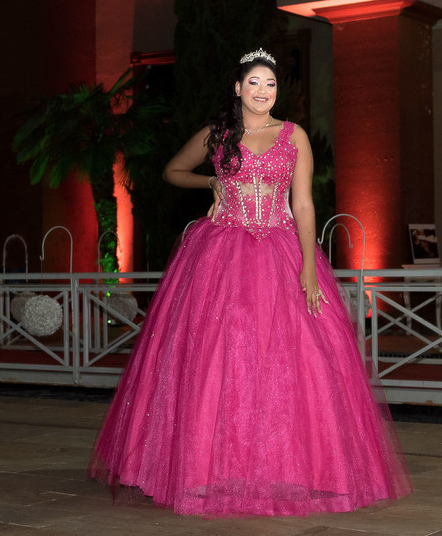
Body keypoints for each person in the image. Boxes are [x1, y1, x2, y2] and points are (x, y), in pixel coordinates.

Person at [88, 48, 411, 517]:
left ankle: (291, 469)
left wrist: (307, 263)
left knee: (290, 363)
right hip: (220, 255)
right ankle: (205, 468)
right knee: (217, 358)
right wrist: (211, 185)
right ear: (238, 88)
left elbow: (303, 204)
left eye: (271, 84)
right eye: (255, 83)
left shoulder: (294, 135)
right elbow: (172, 171)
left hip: (281, 251)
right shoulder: (218, 135)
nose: (263, 92)